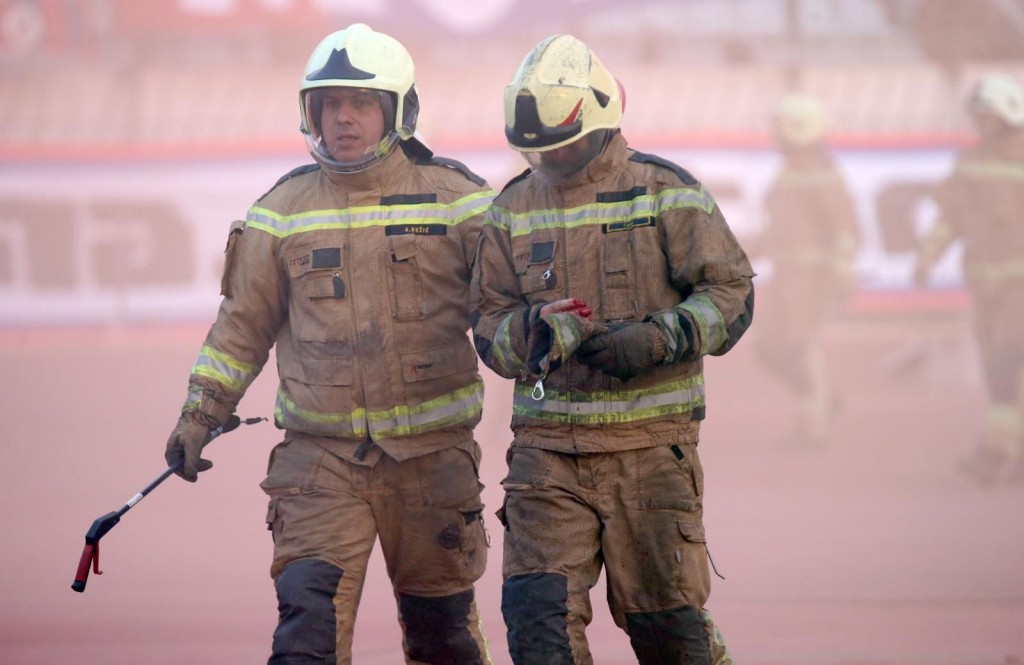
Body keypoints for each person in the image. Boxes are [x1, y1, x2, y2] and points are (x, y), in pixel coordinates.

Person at [163, 24, 495, 665]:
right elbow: (240, 329)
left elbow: (508, 311)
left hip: (433, 463)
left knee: (444, 643)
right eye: (330, 104)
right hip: (320, 465)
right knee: (305, 639)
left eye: (362, 103)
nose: (343, 118)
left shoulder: (461, 202)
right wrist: (199, 413)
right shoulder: (279, 212)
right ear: (310, 112)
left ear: (399, 110)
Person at [471, 33, 753, 665]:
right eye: (539, 149)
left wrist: (658, 339)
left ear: (601, 121)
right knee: (538, 631)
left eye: (565, 144)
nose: (553, 158)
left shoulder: (666, 191)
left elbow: (732, 294)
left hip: (650, 454)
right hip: (546, 456)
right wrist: (534, 330)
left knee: (669, 637)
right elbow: (488, 325)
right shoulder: (510, 209)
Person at [913, 72, 1024, 485]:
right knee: (998, 367)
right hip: (986, 286)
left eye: (988, 115)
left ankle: (993, 453)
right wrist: (928, 255)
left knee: (1006, 362)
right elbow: (950, 218)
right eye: (978, 116)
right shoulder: (970, 163)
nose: (982, 123)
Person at [750, 91, 861, 448]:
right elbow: (779, 227)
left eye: (781, 128)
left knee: (801, 345)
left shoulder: (824, 175)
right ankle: (822, 399)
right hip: (785, 275)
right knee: (768, 347)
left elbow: (844, 228)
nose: (776, 136)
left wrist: (842, 272)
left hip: (812, 276)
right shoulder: (788, 174)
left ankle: (812, 425)